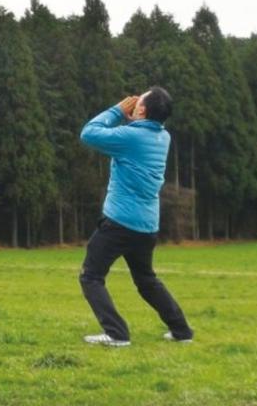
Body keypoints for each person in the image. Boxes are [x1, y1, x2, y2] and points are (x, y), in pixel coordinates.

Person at [77, 87, 194, 347]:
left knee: (91, 276)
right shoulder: (163, 137)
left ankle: (116, 334)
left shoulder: (130, 137)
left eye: (138, 100)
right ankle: (181, 331)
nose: (133, 102)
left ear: (141, 109)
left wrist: (117, 111)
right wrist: (135, 121)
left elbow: (89, 133)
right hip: (147, 225)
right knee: (146, 280)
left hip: (119, 222)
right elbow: (141, 134)